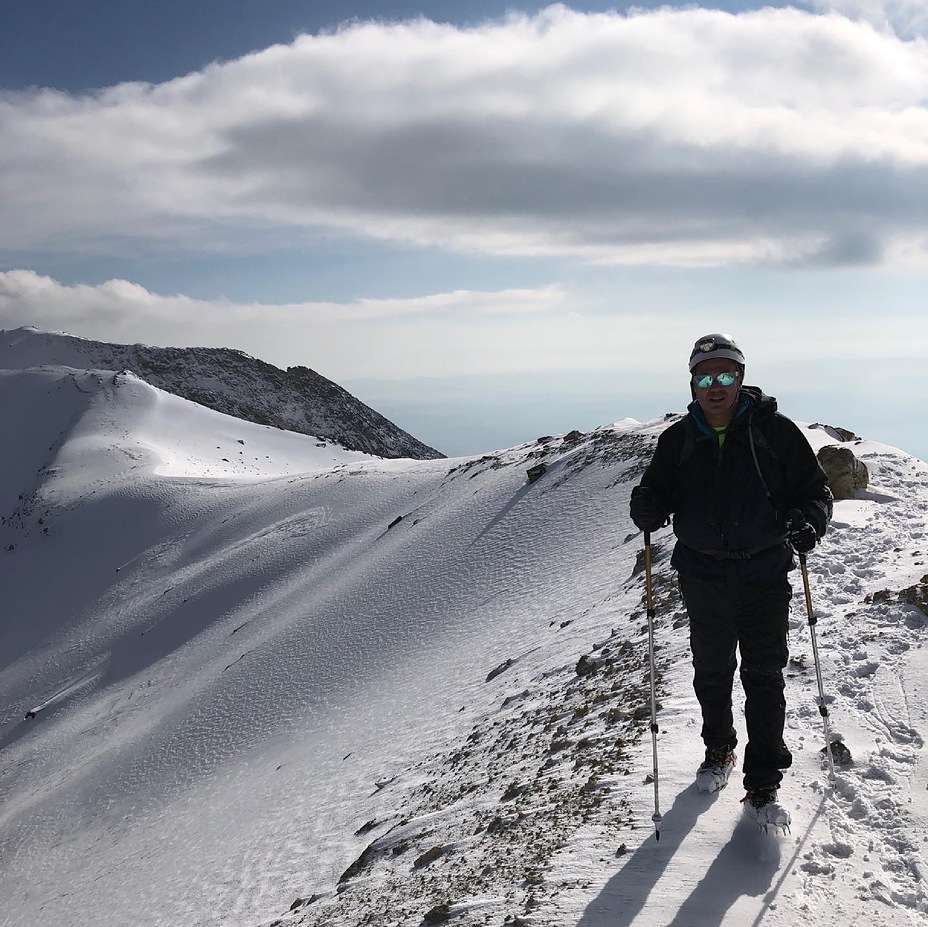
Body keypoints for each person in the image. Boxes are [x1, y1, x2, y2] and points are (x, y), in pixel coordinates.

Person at [629, 333, 832, 830]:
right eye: (705, 376)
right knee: (712, 671)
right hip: (703, 574)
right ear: (693, 383)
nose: (715, 386)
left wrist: (809, 521)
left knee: (763, 675)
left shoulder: (775, 432)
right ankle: (719, 749)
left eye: (725, 375)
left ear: (740, 379)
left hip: (763, 571)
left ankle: (763, 784)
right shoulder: (677, 441)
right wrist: (646, 505)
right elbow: (655, 489)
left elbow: (815, 491)